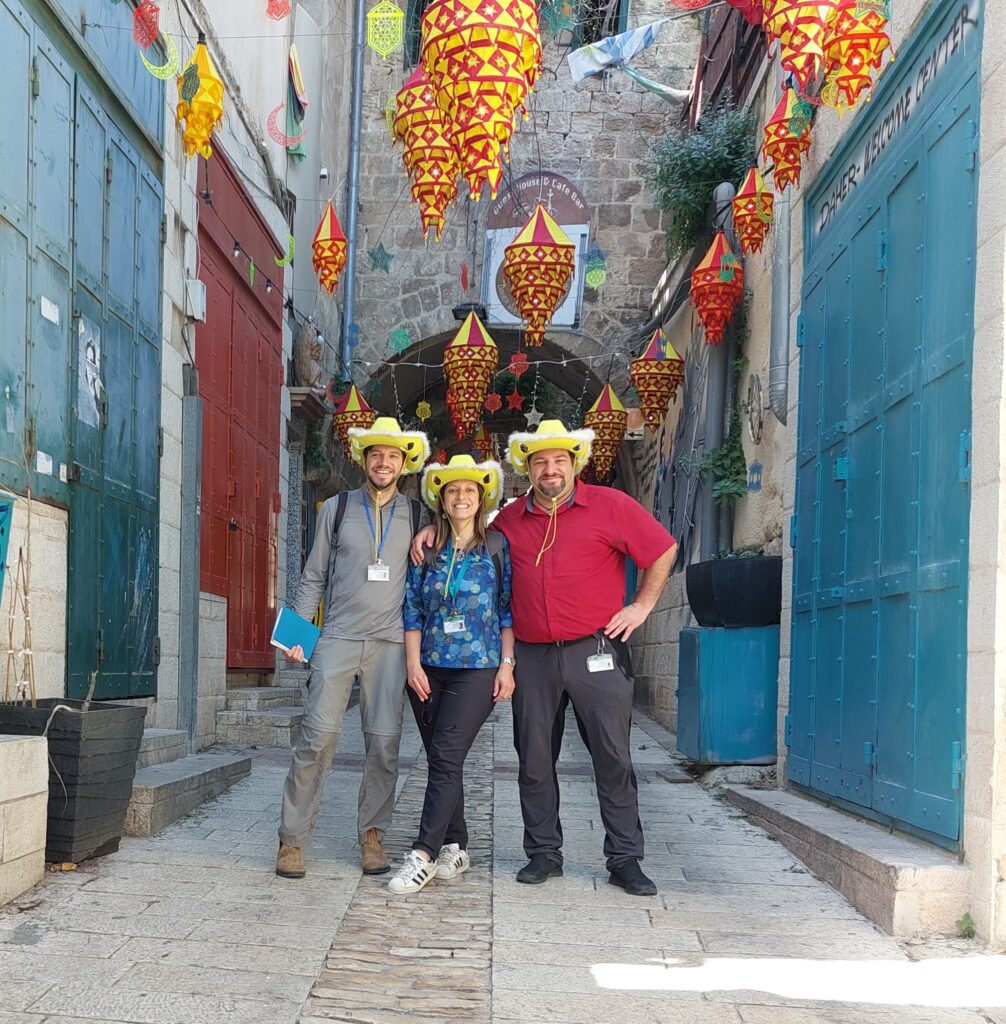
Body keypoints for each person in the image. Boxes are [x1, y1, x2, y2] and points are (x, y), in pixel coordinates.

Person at [412, 420, 676, 896]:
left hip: (595, 649)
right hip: (532, 657)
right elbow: (465, 528)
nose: (550, 470)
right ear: (527, 467)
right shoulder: (510, 520)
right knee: (533, 759)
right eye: (540, 461)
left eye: (559, 460)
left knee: (613, 757)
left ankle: (625, 858)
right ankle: (543, 853)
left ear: (575, 463)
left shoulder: (611, 506)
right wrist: (430, 531)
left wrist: (641, 606)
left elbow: (662, 548)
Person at [276, 417, 429, 880]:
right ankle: (292, 840)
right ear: (365, 459)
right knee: (317, 738)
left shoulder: (418, 516)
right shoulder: (336, 508)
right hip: (338, 639)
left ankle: (372, 836)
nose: (384, 463)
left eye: (393, 456)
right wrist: (297, 637)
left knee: (383, 744)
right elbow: (313, 576)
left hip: (389, 645)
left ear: (404, 464)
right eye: (376, 455)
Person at [389, 455, 515, 895]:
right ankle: (456, 844)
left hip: (478, 669)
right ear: (441, 499)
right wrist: (411, 665)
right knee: (447, 760)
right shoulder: (426, 548)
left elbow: (506, 611)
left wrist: (508, 665)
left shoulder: (498, 547)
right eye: (453, 490)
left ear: (482, 498)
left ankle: (422, 853)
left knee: (444, 755)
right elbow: (412, 610)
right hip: (428, 668)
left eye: (470, 490)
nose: (461, 497)